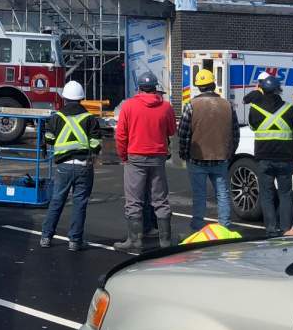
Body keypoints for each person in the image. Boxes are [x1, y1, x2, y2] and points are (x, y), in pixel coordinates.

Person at [114, 71, 177, 253]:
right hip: (158, 157)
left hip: (135, 157)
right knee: (160, 199)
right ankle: (165, 241)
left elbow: (121, 135)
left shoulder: (129, 106)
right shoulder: (166, 107)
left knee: (134, 200)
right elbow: (171, 130)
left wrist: (123, 156)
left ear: (139, 87)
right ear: (155, 87)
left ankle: (135, 240)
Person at [40, 80, 103, 250]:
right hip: (84, 166)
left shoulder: (56, 118)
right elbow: (96, 143)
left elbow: (49, 139)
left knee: (57, 201)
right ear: (81, 99)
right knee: (80, 203)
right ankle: (74, 241)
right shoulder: (89, 118)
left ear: (65, 98)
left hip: (64, 166)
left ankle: (46, 237)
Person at [177, 68, 239, 231]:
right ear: (213, 85)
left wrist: (184, 152)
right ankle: (225, 226)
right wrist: (230, 153)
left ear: (198, 87)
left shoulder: (191, 105)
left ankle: (197, 226)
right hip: (221, 157)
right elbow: (235, 133)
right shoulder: (227, 105)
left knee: (199, 195)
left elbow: (183, 133)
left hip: (197, 158)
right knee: (223, 194)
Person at [247, 75, 293, 237]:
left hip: (264, 157)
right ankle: (286, 228)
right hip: (285, 157)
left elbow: (254, 127)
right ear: (278, 90)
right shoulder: (288, 108)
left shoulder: (255, 109)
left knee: (267, 195)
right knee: (285, 194)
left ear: (262, 89)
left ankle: (271, 229)